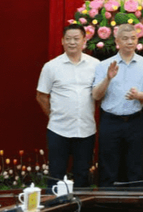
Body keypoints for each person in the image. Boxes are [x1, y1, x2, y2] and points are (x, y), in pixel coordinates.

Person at [92, 23, 143, 187]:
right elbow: (96, 95)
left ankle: (136, 206)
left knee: (136, 167)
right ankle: (107, 205)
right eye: (125, 38)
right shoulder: (104, 65)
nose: (130, 42)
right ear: (117, 41)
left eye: (133, 38)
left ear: (138, 40)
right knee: (108, 168)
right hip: (110, 122)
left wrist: (139, 95)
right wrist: (108, 78)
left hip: (135, 121)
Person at [36, 24, 100, 188]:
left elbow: (100, 93)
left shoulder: (95, 65)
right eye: (68, 39)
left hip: (85, 129)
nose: (72, 42)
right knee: (56, 175)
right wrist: (55, 116)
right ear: (62, 41)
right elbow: (41, 96)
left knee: (83, 174)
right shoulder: (51, 66)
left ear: (84, 41)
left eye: (76, 39)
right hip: (58, 129)